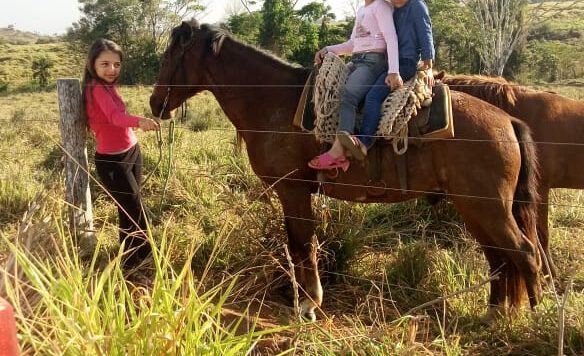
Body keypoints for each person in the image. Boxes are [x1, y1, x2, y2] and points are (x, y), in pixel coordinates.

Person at [81, 39, 159, 268]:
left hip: (132, 151)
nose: (112, 69)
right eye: (105, 64)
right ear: (92, 64)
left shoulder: (108, 86)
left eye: (116, 64)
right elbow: (115, 118)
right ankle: (135, 262)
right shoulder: (95, 88)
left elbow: (117, 115)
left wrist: (136, 125)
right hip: (112, 161)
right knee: (134, 210)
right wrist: (140, 121)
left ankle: (137, 259)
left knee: (132, 210)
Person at [309, 0, 400, 171]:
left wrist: (393, 70)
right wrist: (328, 49)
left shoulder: (381, 6)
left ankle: (339, 149)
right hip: (357, 60)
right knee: (332, 92)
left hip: (373, 61)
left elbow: (391, 37)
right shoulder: (361, 10)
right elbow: (352, 44)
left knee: (349, 95)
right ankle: (341, 148)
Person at [359, 0, 435, 149]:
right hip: (385, 62)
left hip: (405, 63)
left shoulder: (416, 5)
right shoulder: (387, 8)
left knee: (374, 96)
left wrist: (428, 67)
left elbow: (425, 33)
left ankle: (364, 141)